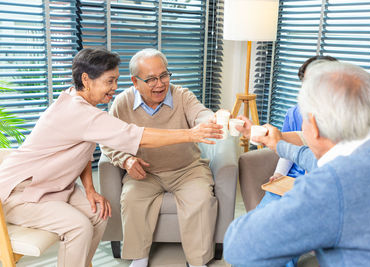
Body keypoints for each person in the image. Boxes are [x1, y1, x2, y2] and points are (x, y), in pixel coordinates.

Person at [0, 48, 222, 267]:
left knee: (98, 213)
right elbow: (135, 136)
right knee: (79, 227)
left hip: (52, 188)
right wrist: (190, 134)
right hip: (20, 193)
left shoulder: (80, 103)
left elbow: (82, 153)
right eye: (109, 81)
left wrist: (89, 189)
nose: (115, 88)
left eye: (116, 80)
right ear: (86, 80)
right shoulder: (78, 111)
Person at [224, 61, 370, 266]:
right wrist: (278, 144)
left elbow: (238, 246)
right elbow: (314, 159)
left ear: (314, 126)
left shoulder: (331, 185)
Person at [101, 48, 218, 267]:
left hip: (187, 169)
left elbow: (200, 113)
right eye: (151, 79)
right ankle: (139, 257)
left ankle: (197, 261)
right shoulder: (122, 103)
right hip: (146, 172)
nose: (160, 84)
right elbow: (107, 139)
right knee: (131, 199)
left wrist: (210, 120)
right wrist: (125, 160)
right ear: (135, 82)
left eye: (164, 75)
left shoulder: (182, 95)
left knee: (201, 198)